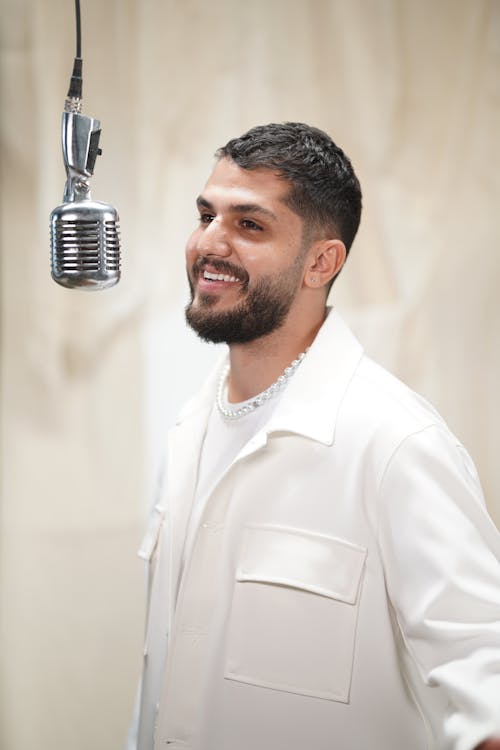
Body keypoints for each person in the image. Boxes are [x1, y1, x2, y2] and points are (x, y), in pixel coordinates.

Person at [131, 123, 500, 750]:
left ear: (322, 262)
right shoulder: (187, 426)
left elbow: (487, 687)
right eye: (205, 214)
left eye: (249, 225)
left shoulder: (397, 444)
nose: (208, 243)